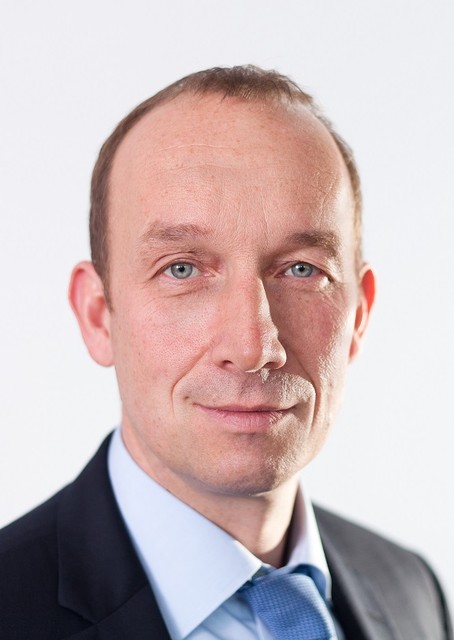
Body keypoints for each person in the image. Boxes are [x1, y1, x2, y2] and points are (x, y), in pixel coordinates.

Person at [0, 65, 451, 640]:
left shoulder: (411, 590)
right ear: (97, 315)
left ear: (358, 316)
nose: (253, 347)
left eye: (302, 269)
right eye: (182, 269)